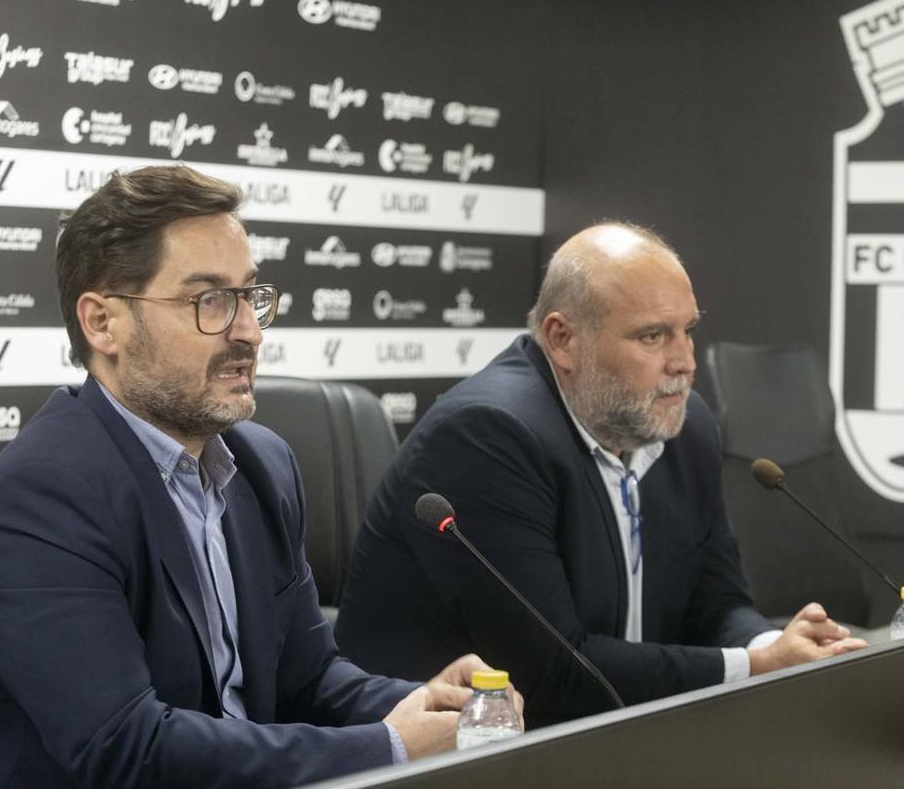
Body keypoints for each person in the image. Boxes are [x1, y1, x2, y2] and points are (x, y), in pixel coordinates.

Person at [0, 165, 517, 789]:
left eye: (250, 296)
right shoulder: (42, 496)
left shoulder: (262, 465)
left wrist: (426, 708)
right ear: (103, 323)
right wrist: (391, 747)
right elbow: (125, 747)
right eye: (209, 300)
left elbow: (307, 679)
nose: (249, 332)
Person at [335, 222, 867, 726]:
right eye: (653, 337)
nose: (685, 362)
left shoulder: (685, 425)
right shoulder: (487, 436)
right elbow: (556, 673)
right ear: (563, 339)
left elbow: (717, 604)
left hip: (623, 734)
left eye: (689, 331)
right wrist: (755, 666)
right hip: (458, 752)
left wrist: (773, 647)